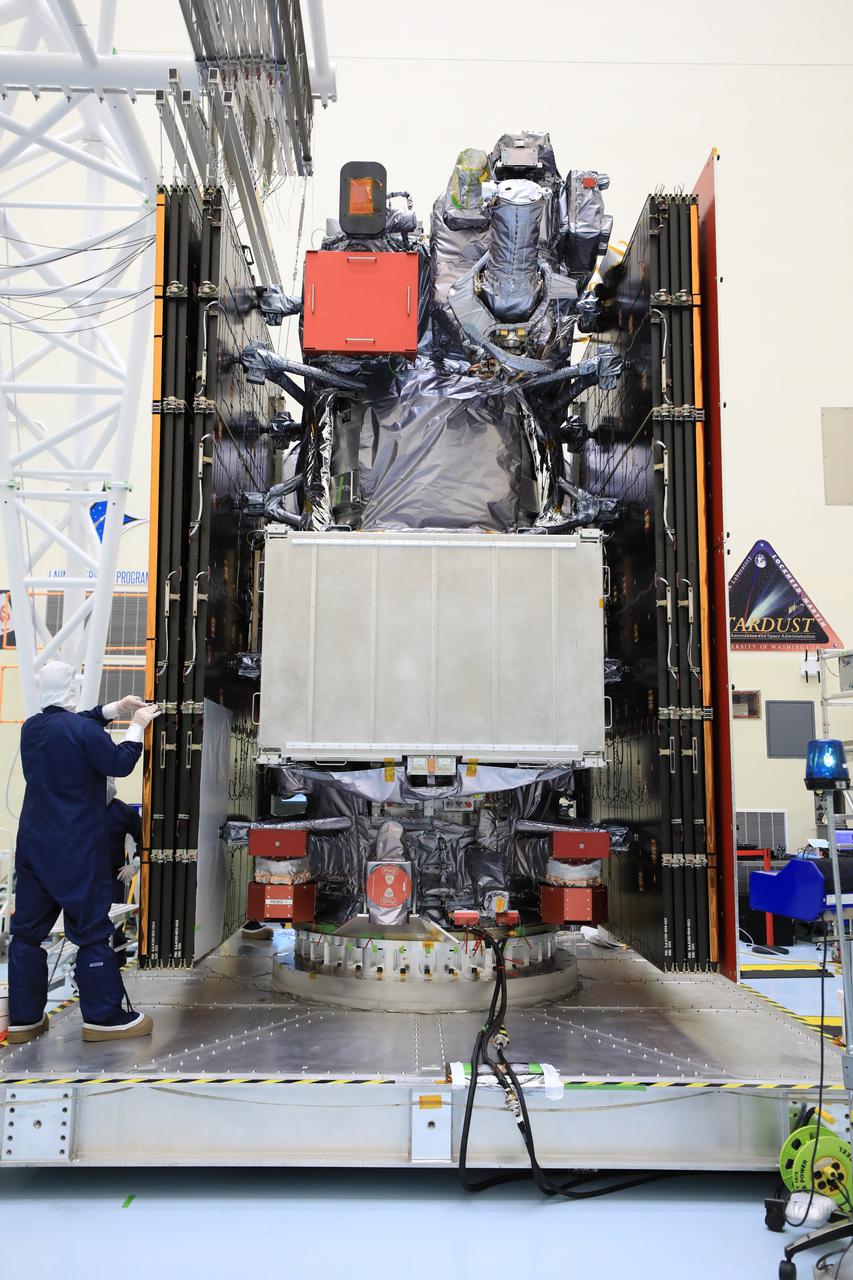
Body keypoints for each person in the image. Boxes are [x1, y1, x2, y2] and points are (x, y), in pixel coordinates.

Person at [7, 661, 161, 1044]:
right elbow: (120, 762)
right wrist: (138, 723)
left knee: (26, 935)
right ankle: (104, 1018)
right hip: (73, 848)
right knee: (91, 932)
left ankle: (25, 1020)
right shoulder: (78, 730)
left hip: (32, 846)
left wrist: (113, 709)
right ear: (72, 689)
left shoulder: (32, 728)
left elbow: (75, 727)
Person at [105, 777, 142, 958]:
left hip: (113, 879)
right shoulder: (79, 808)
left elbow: (145, 839)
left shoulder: (123, 812)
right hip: (83, 878)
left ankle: (115, 967)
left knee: (114, 926)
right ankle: (83, 970)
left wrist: (135, 865)